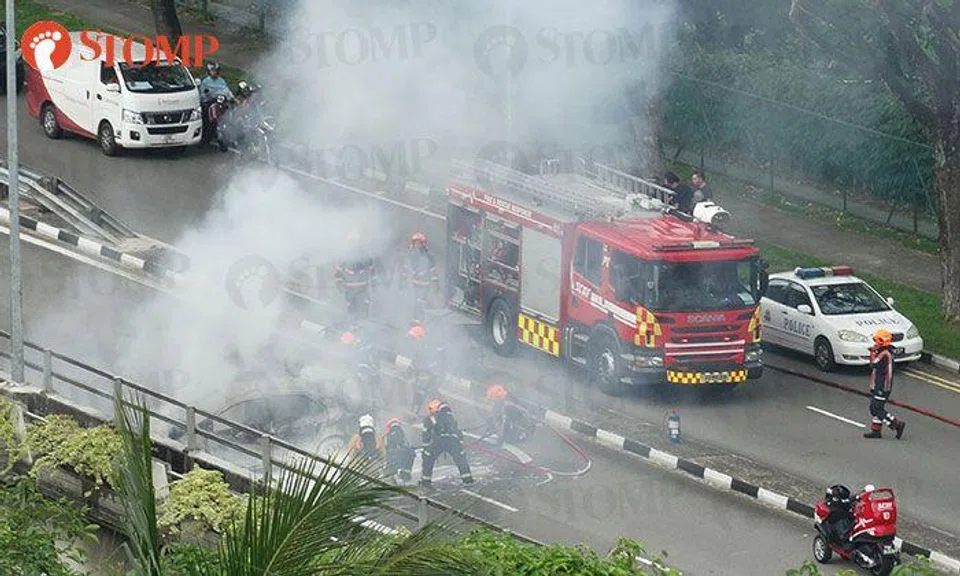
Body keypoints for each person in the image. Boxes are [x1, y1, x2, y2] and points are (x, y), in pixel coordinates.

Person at [864, 329, 906, 439]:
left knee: (875, 408)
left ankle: (897, 424)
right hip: (879, 385)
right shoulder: (886, 352)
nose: (875, 343)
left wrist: (872, 352)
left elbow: (873, 364)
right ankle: (876, 430)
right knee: (878, 408)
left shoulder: (883, 354)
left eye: (877, 341)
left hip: (881, 386)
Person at [420, 399, 473, 487]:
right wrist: (460, 444)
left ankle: (425, 482)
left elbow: (426, 434)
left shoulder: (431, 418)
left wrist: (426, 448)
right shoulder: (450, 416)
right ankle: (468, 480)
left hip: (439, 441)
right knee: (461, 460)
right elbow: (457, 432)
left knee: (428, 459)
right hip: (453, 441)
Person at [339, 328, 381, 410]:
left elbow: (370, 363)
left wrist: (365, 371)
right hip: (365, 370)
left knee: (368, 387)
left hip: (368, 370)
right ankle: (369, 402)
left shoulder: (364, 349)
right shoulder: (358, 345)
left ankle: (370, 403)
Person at [403, 232, 439, 323]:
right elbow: (408, 268)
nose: (415, 245)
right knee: (416, 302)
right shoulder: (412, 255)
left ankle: (419, 321)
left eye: (417, 243)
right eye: (415, 243)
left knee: (420, 302)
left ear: (422, 244)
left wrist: (436, 284)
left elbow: (433, 271)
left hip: (425, 284)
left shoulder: (430, 256)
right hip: (415, 283)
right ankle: (415, 320)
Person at [382, 417, 415, 482]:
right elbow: (401, 442)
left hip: (391, 456)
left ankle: (392, 476)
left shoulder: (388, 435)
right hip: (396, 455)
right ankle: (403, 474)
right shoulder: (398, 431)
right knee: (409, 455)